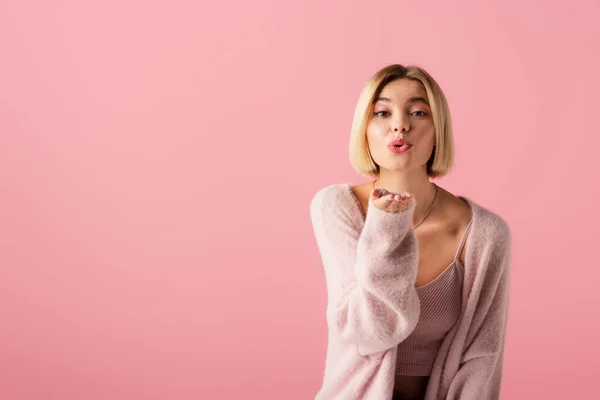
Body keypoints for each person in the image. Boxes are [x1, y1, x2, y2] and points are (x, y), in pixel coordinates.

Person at [309, 64, 512, 400]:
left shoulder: (485, 233)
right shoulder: (336, 206)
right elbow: (368, 331)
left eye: (418, 112)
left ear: (438, 131)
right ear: (365, 130)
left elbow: (483, 355)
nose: (400, 125)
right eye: (382, 112)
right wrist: (388, 228)